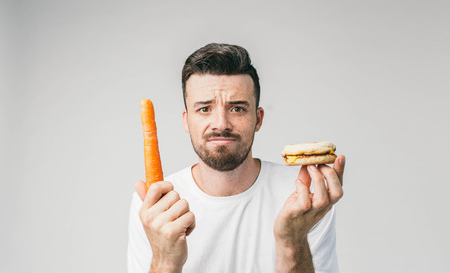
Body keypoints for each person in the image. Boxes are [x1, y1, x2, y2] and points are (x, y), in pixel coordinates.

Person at [128, 43, 345, 273]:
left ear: (258, 119)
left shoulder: (305, 194)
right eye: (204, 109)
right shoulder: (154, 207)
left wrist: (292, 241)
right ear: (186, 120)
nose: (221, 124)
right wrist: (165, 260)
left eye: (237, 109)